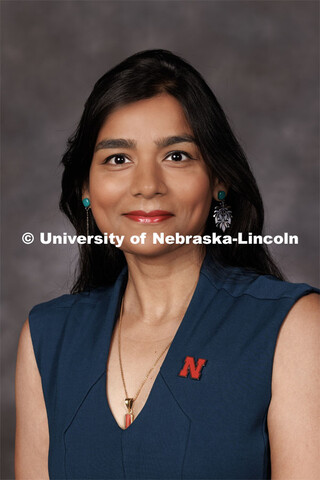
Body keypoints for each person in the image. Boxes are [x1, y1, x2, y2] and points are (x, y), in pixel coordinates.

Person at [15, 49, 319, 479]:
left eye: (176, 156)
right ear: (86, 188)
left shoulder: (294, 327)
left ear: (219, 180)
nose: (146, 186)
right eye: (117, 159)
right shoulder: (47, 337)